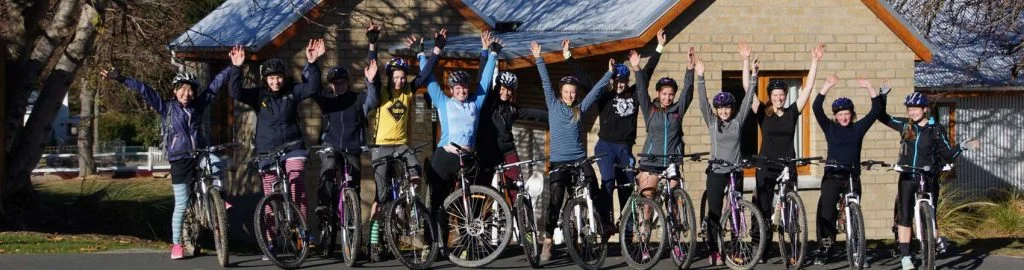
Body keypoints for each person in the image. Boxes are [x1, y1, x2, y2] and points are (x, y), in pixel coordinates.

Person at [99, 47, 236, 259]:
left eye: (190, 90)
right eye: (182, 89)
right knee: (181, 205)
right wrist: (121, 78)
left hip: (199, 153)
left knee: (217, 163)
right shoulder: (166, 108)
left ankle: (218, 198)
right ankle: (176, 245)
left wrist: (233, 66)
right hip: (180, 159)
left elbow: (215, 87)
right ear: (175, 91)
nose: (187, 94)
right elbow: (145, 90)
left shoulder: (197, 107)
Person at [229, 39, 325, 257]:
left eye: (278, 77)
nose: (276, 82)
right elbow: (235, 92)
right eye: (271, 78)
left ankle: (302, 233)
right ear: (265, 80)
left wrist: (312, 63)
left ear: (284, 77)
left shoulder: (292, 91)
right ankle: (270, 239)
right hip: (267, 151)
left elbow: (313, 87)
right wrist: (237, 68)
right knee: (270, 195)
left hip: (293, 147)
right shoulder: (259, 96)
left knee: (296, 182)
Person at [563, 30, 667, 228]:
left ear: (627, 81)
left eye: (623, 81)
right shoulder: (605, 95)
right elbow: (586, 80)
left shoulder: (635, 94)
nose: (620, 84)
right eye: (617, 81)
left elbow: (646, 73)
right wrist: (569, 57)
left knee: (627, 187)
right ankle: (605, 222)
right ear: (612, 80)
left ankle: (627, 231)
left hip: (625, 147)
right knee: (608, 182)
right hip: (606, 147)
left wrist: (659, 47)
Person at [364, 24, 443, 261]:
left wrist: (436, 49)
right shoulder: (381, 92)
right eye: (395, 77)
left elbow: (426, 72)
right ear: (389, 78)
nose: (399, 81)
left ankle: (410, 195)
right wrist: (372, 45)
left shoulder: (409, 90)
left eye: (401, 77)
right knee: (381, 197)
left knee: (414, 166)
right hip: (380, 147)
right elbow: (372, 69)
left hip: (401, 145)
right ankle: (374, 241)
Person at [877, 90, 980, 270]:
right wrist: (882, 96)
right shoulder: (905, 125)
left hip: (929, 176)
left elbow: (947, 154)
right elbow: (881, 116)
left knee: (931, 216)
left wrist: (962, 147)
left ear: (925, 109)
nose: (912, 112)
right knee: (905, 216)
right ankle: (905, 257)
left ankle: (935, 238)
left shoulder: (936, 129)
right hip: (908, 176)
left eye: (915, 108)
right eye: (909, 109)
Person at [532, 40, 614, 262]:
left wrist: (608, 74)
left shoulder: (580, 108)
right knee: (556, 200)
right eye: (566, 92)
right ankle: (548, 242)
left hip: (579, 159)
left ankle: (604, 225)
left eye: (573, 92)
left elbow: (596, 92)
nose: (570, 95)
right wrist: (539, 58)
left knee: (593, 185)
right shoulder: (553, 104)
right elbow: (546, 82)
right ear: (561, 93)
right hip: (559, 162)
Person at [746, 42, 825, 263]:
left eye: (782, 94)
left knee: (791, 209)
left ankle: (793, 248)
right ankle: (758, 248)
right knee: (761, 209)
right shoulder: (763, 112)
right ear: (770, 96)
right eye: (775, 94)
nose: (779, 98)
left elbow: (808, 89)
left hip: (787, 165)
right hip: (765, 165)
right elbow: (746, 89)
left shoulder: (792, 112)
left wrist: (815, 61)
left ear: (785, 96)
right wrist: (749, 67)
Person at [423, 29, 498, 256]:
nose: (462, 91)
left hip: (468, 157)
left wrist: (490, 53)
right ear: (451, 90)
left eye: (465, 87)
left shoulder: (475, 103)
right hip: (445, 156)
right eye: (458, 88)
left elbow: (485, 80)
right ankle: (431, 244)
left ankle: (467, 245)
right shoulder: (444, 102)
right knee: (437, 201)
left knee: (468, 203)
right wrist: (421, 56)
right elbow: (429, 78)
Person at [313, 24, 381, 248]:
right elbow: (311, 86)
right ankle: (325, 208)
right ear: (330, 85)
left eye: (342, 82)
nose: (338, 86)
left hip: (353, 147)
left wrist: (372, 78)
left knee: (353, 187)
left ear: (347, 82)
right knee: (329, 168)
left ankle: (351, 233)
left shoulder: (358, 99)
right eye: (334, 83)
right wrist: (314, 63)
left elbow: (374, 98)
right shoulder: (326, 99)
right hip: (331, 145)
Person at [811, 74, 883, 265]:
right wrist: (825, 87)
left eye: (847, 113)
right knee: (827, 212)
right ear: (835, 116)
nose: (843, 117)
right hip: (832, 176)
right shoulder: (829, 128)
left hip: (852, 175)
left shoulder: (858, 128)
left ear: (852, 114)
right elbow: (816, 108)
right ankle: (826, 247)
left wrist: (870, 87)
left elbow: (876, 110)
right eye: (840, 114)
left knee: (855, 211)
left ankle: (858, 251)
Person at [695, 52, 756, 266]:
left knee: (735, 210)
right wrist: (700, 77)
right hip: (716, 173)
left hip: (735, 172)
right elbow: (703, 103)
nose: (724, 111)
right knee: (714, 212)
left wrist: (754, 76)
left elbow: (748, 102)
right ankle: (714, 250)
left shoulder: (738, 122)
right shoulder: (713, 123)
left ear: (732, 108)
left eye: (727, 107)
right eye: (721, 108)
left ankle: (736, 246)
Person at [476, 35, 548, 203]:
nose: (506, 92)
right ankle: (477, 221)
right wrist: (485, 52)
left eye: (510, 90)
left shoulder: (512, 109)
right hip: (487, 151)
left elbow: (534, 114)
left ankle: (521, 220)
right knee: (481, 189)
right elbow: (482, 79)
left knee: (517, 186)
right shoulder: (486, 104)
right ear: (497, 87)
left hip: (507, 151)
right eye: (503, 88)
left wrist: (557, 115)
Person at [634, 46, 694, 195]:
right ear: (658, 93)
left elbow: (688, 92)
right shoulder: (651, 110)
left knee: (674, 196)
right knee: (648, 198)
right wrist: (636, 67)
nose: (667, 98)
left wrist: (690, 68)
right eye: (664, 94)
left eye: (671, 95)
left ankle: (674, 218)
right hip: (651, 161)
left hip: (671, 161)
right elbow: (641, 90)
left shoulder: (677, 111)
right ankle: (647, 219)